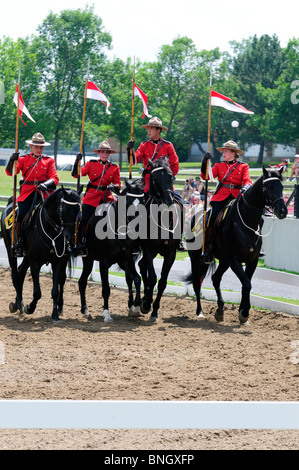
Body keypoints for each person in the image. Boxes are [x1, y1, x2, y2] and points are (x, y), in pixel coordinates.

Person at [5, 132, 59, 257]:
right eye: (36, 147)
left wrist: (45, 185)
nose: (39, 149)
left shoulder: (49, 160)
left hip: (45, 192)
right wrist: (11, 160)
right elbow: (11, 172)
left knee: (59, 212)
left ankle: (63, 242)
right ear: (31, 147)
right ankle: (19, 242)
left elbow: (54, 178)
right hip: (28, 192)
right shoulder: (23, 159)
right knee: (21, 213)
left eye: (41, 147)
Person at [200, 140, 252, 263]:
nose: (223, 153)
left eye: (226, 151)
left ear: (233, 152)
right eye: (223, 151)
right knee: (211, 218)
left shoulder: (243, 166)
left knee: (254, 218)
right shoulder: (219, 166)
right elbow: (206, 176)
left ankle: (252, 246)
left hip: (236, 197)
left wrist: (245, 187)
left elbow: (248, 181)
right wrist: (204, 162)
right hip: (220, 198)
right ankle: (208, 248)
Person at [72, 140, 121, 256]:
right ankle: (81, 242)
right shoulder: (91, 164)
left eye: (107, 152)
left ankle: (121, 242)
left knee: (121, 215)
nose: (105, 154)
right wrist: (77, 161)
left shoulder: (114, 167)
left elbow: (118, 185)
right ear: (98, 153)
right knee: (83, 219)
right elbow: (77, 174)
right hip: (91, 198)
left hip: (107, 198)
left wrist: (113, 186)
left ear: (109, 154)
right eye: (102, 152)